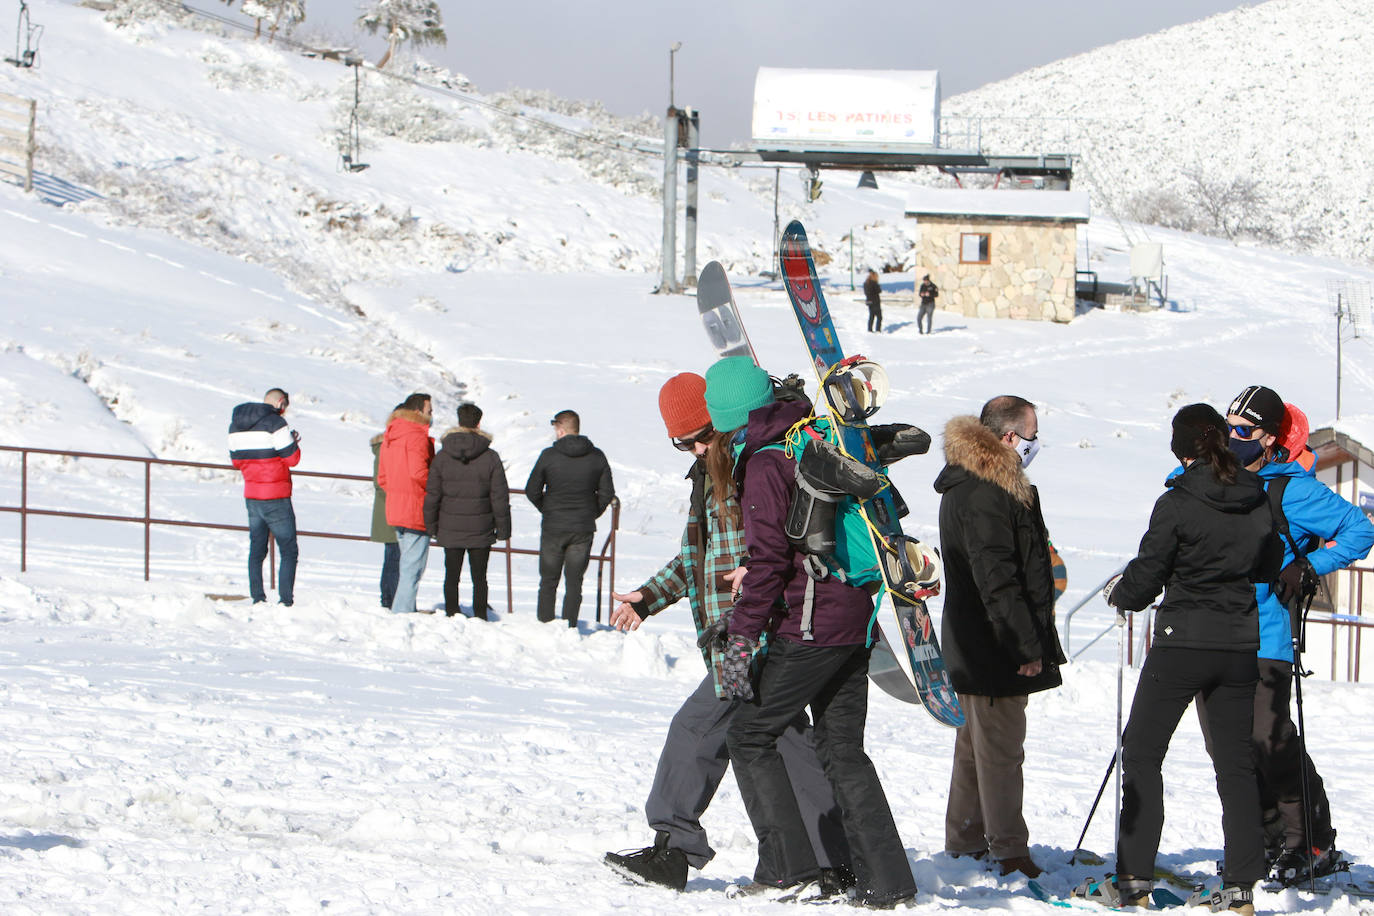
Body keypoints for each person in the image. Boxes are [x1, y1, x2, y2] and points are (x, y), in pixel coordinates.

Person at [602, 372, 852, 895]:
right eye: (681, 442)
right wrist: (649, 597)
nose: (693, 449)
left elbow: (766, 547)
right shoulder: (714, 469)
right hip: (739, 632)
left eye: (700, 436)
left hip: (746, 634)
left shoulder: (746, 468)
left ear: (721, 423)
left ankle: (673, 849)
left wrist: (746, 616)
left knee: (694, 732)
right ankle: (830, 857)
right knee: (784, 742)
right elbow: (700, 556)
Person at [705, 356, 916, 908]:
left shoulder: (765, 465)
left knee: (749, 735)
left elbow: (769, 563)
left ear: (726, 419)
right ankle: (885, 880)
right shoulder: (809, 438)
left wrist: (740, 644)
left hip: (812, 627)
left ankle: (786, 868)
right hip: (856, 620)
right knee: (843, 750)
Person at [1080, 404, 1278, 913]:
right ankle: (1239, 888)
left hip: (1182, 640)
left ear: (1183, 447)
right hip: (1237, 644)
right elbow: (1268, 563)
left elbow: (1147, 575)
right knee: (1235, 764)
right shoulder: (1258, 497)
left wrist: (1123, 595)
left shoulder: (1177, 501)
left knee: (1143, 752)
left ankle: (1133, 880)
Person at [1215, 385, 1374, 885]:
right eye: (1226, 427)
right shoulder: (1214, 479)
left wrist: (1307, 565)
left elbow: (1359, 528)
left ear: (1267, 437)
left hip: (1267, 636)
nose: (1231, 437)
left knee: (1270, 739)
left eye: (1242, 430)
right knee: (1232, 749)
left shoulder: (1291, 487)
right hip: (1215, 634)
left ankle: (1310, 841)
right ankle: (1261, 839)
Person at [932, 395, 1065, 879]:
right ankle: (1009, 849)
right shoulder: (989, 491)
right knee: (1002, 750)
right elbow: (998, 578)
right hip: (993, 645)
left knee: (975, 747)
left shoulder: (972, 483)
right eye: (1031, 436)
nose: (1034, 445)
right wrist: (1024, 646)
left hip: (976, 642)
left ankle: (966, 837)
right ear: (1008, 437)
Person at [525, 409, 615, 627]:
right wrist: (591, 513)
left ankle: (545, 623)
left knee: (548, 580)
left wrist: (548, 509)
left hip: (554, 526)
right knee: (575, 581)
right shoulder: (597, 456)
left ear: (561, 429)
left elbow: (531, 490)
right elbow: (606, 494)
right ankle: (569, 626)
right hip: (582, 528)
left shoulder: (549, 455)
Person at [424, 402, 511, 620]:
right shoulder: (490, 457)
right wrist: (503, 529)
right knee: (479, 577)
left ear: (459, 421)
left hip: (449, 525)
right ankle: (480, 615)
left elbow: (433, 494)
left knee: (451, 575)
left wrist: (431, 525)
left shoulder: (443, 456)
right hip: (481, 527)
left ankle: (452, 613)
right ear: (479, 423)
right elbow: (499, 496)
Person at [228, 388, 301, 607]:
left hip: (252, 494)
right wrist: (293, 442)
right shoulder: (275, 423)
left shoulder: (235, 426)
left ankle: (257, 597)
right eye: (285, 407)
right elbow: (293, 459)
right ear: (280, 403)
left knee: (257, 549)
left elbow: (236, 462)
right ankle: (285, 600)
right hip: (276, 495)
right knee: (288, 550)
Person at [378, 393, 435, 614]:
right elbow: (418, 473)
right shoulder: (416, 436)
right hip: (416, 507)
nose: (431, 415)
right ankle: (401, 614)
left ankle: (406, 609)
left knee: (407, 565)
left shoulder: (391, 434)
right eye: (429, 411)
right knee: (413, 568)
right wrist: (435, 488)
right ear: (418, 411)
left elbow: (383, 477)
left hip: (395, 507)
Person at [370, 421, 400, 609]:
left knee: (393, 555)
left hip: (390, 509)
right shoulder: (386, 448)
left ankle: (390, 598)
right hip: (391, 509)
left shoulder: (385, 447)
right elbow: (381, 483)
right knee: (394, 556)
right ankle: (389, 599)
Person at [863, 268, 883, 333]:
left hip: (869, 301)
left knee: (871, 316)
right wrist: (878, 285)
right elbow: (879, 291)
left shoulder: (866, 283)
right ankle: (878, 330)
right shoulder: (874, 283)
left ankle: (869, 329)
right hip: (875, 301)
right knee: (879, 317)